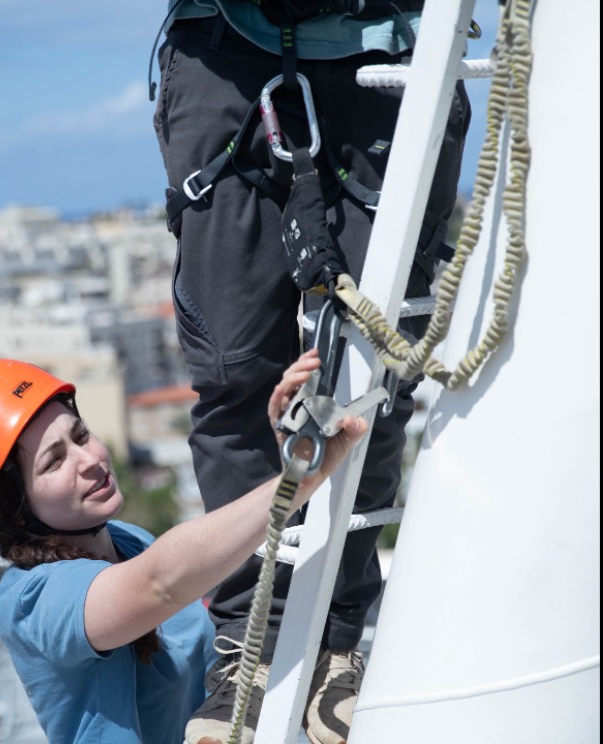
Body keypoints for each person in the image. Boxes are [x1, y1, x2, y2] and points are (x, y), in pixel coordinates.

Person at [151, 1, 472, 742]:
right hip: (224, 44)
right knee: (236, 369)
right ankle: (246, 649)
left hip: (380, 46)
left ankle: (335, 641)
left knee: (375, 373)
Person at [0, 352, 367, 744]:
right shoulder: (33, 602)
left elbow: (210, 565)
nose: (91, 460)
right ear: (12, 505)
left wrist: (283, 455)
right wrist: (296, 480)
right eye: (54, 462)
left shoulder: (129, 541)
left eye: (80, 436)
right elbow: (160, 584)